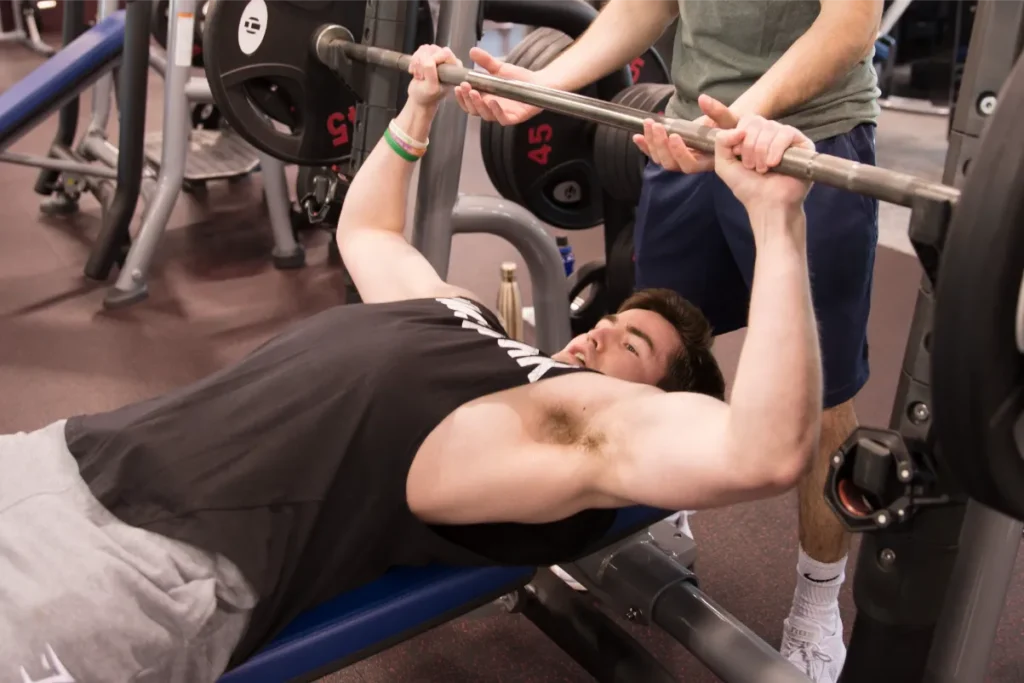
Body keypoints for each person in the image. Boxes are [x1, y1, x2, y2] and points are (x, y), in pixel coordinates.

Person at [0, 45, 821, 683]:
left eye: (633, 348)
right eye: (612, 321)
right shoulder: (459, 316)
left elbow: (764, 451)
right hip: (70, 456)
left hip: (136, 569)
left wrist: (775, 222)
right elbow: (370, 236)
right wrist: (416, 113)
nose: (599, 336)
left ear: (656, 402)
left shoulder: (566, 426)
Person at [454, 1, 881, 679]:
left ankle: (817, 602)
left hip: (804, 144)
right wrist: (545, 86)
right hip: (691, 138)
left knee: (819, 393)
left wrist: (739, 120)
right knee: (655, 338)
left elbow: (851, 24)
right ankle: (658, 508)